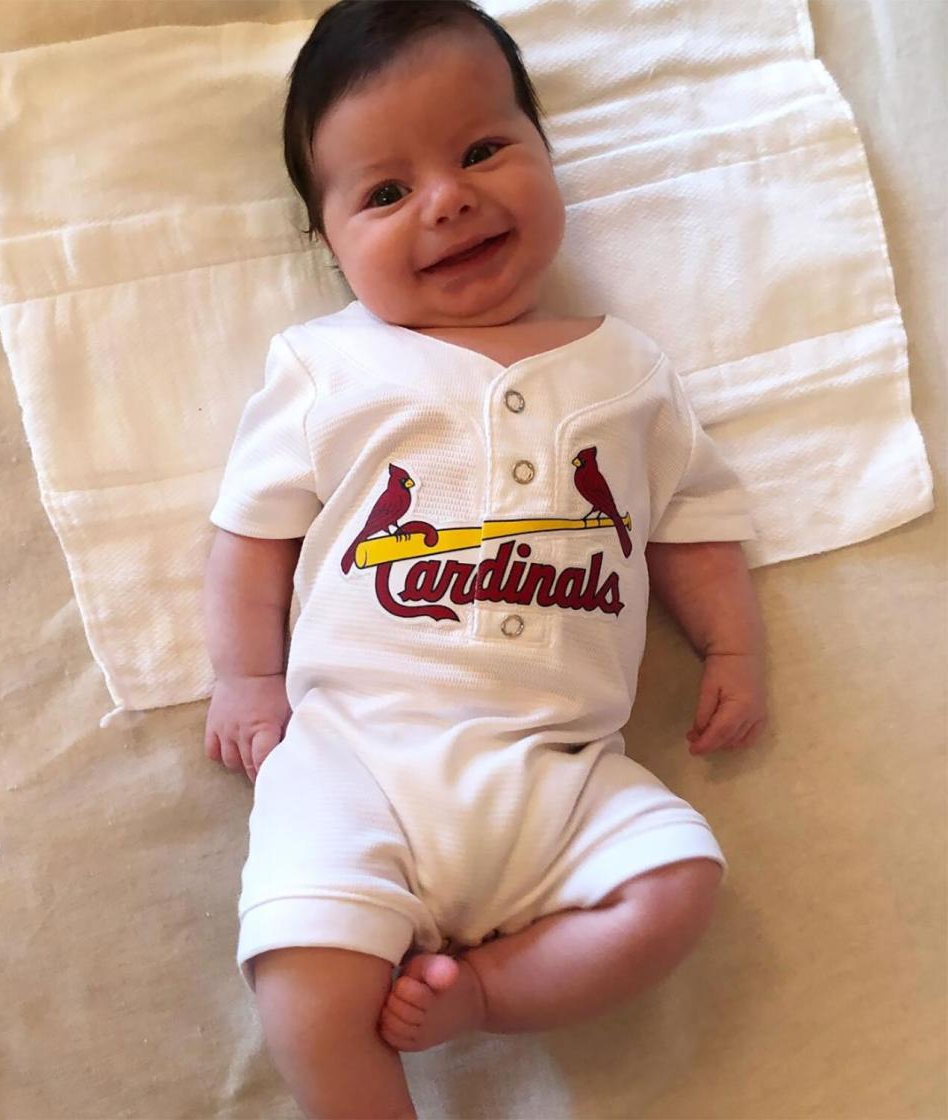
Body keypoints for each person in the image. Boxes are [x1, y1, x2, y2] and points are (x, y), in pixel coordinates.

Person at [203, 1, 767, 1115]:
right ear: (328, 246)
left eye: (480, 151)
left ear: (547, 155)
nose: (448, 199)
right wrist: (246, 676)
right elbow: (249, 530)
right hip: (355, 760)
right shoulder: (330, 367)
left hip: (560, 768)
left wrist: (734, 644)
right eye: (385, 192)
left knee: (680, 882)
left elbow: (691, 517)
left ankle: (490, 993)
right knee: (303, 983)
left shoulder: (629, 370)